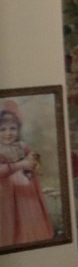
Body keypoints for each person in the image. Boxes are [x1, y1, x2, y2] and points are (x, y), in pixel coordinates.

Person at [0, 99, 55, 247]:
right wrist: (19, 165)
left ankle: (34, 240)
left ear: (18, 129)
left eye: (12, 128)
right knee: (11, 221)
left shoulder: (22, 145)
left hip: (28, 192)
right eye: (2, 129)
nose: (8, 133)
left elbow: (33, 159)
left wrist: (33, 161)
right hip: (7, 192)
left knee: (31, 216)